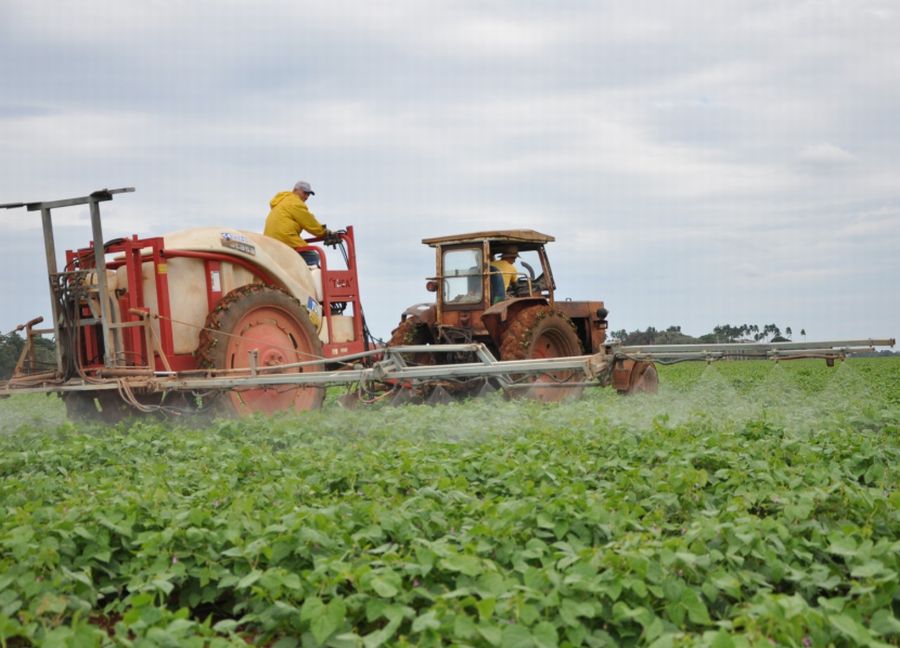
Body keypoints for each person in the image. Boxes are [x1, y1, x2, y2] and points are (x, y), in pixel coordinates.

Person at [263, 180, 333, 265]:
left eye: (308, 194)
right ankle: (307, 278)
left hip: (269, 240)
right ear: (295, 190)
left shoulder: (283, 200)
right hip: (285, 239)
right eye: (305, 193)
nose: (307, 197)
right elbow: (309, 223)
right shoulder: (295, 203)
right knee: (312, 256)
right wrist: (325, 232)